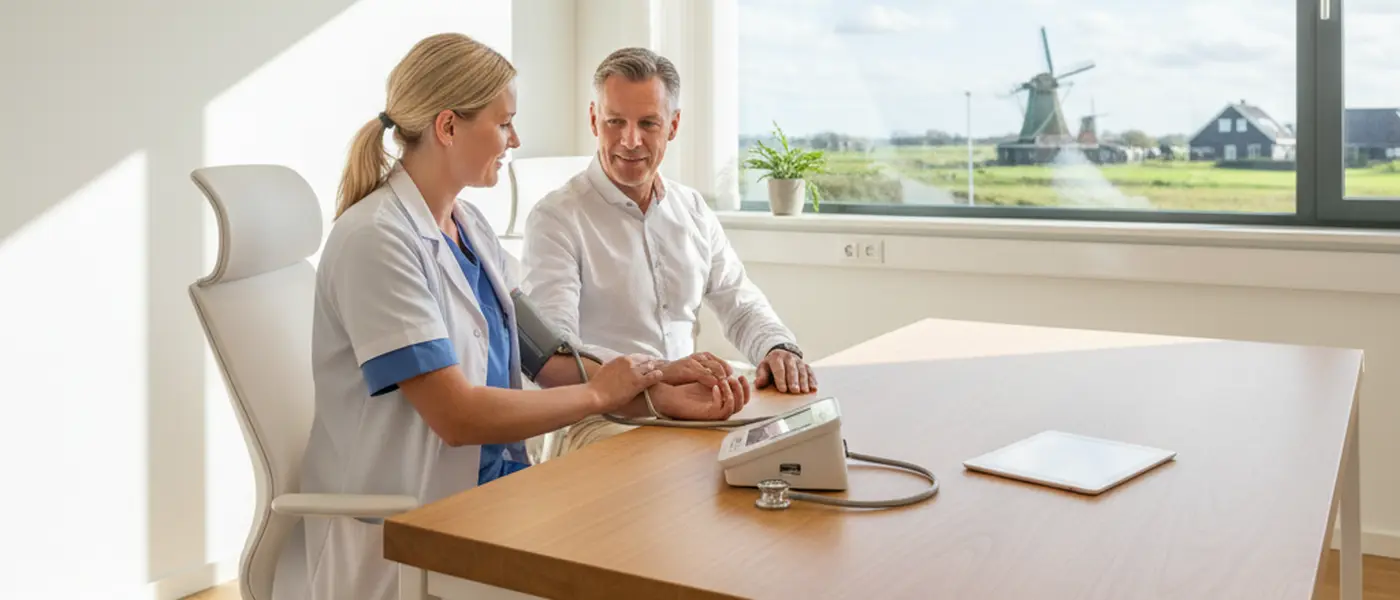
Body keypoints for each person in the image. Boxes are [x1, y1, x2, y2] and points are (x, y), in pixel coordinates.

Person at [274, 34, 743, 600]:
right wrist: (603, 396)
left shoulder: (467, 227)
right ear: (448, 127)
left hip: (494, 497)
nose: (515, 139)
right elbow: (457, 416)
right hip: (413, 530)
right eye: (503, 124)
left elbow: (549, 360)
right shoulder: (378, 241)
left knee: (660, 532)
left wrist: (655, 386)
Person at [520, 47, 815, 452]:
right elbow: (558, 351)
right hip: (600, 418)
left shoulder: (691, 209)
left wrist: (777, 347)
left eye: (648, 123)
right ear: (594, 119)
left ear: (673, 125)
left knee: (800, 436)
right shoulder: (555, 218)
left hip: (690, 404)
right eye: (614, 122)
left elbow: (740, 303)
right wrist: (662, 376)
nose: (630, 140)